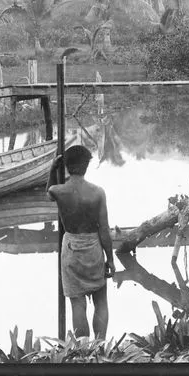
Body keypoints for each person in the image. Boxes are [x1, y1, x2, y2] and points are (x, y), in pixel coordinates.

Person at [47, 144, 114, 339]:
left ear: (66, 166)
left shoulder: (58, 191)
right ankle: (100, 345)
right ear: (87, 166)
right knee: (101, 301)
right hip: (94, 248)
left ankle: (83, 351)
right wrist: (110, 258)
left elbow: (48, 193)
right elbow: (104, 229)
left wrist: (52, 170)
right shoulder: (98, 192)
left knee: (77, 304)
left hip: (71, 249)